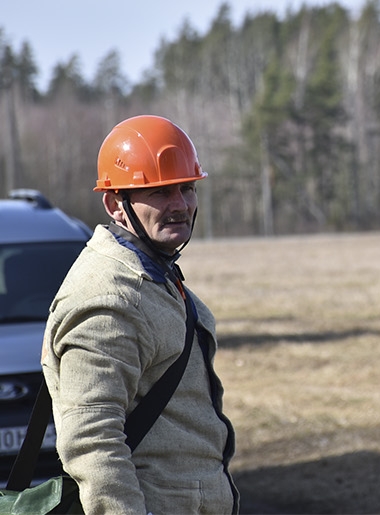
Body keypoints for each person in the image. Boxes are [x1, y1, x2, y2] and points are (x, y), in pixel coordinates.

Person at [43, 115, 238, 513]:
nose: (180, 204)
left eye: (186, 188)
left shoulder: (151, 272)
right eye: (161, 191)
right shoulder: (108, 299)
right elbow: (93, 441)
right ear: (116, 204)